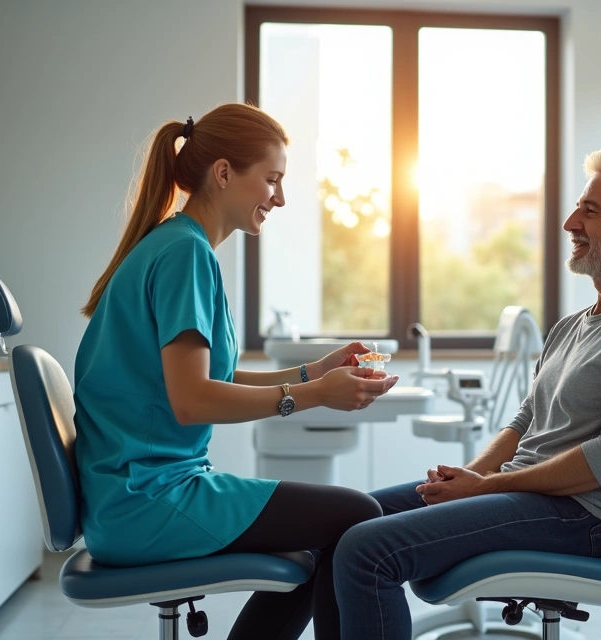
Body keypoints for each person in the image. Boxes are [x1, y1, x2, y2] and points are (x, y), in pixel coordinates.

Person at [332, 149, 601, 639]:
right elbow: (526, 420)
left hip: (577, 516)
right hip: (524, 495)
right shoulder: (572, 325)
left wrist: (484, 488)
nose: (570, 223)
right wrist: (473, 474)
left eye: (590, 212)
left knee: (366, 551)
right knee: (342, 521)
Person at [73, 102, 398, 640]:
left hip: (135, 496)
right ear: (223, 173)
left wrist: (313, 372)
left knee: (332, 529)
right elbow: (193, 401)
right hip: (149, 499)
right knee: (357, 518)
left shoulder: (177, 245)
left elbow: (209, 381)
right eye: (272, 179)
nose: (280, 198)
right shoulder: (186, 255)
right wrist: (316, 394)